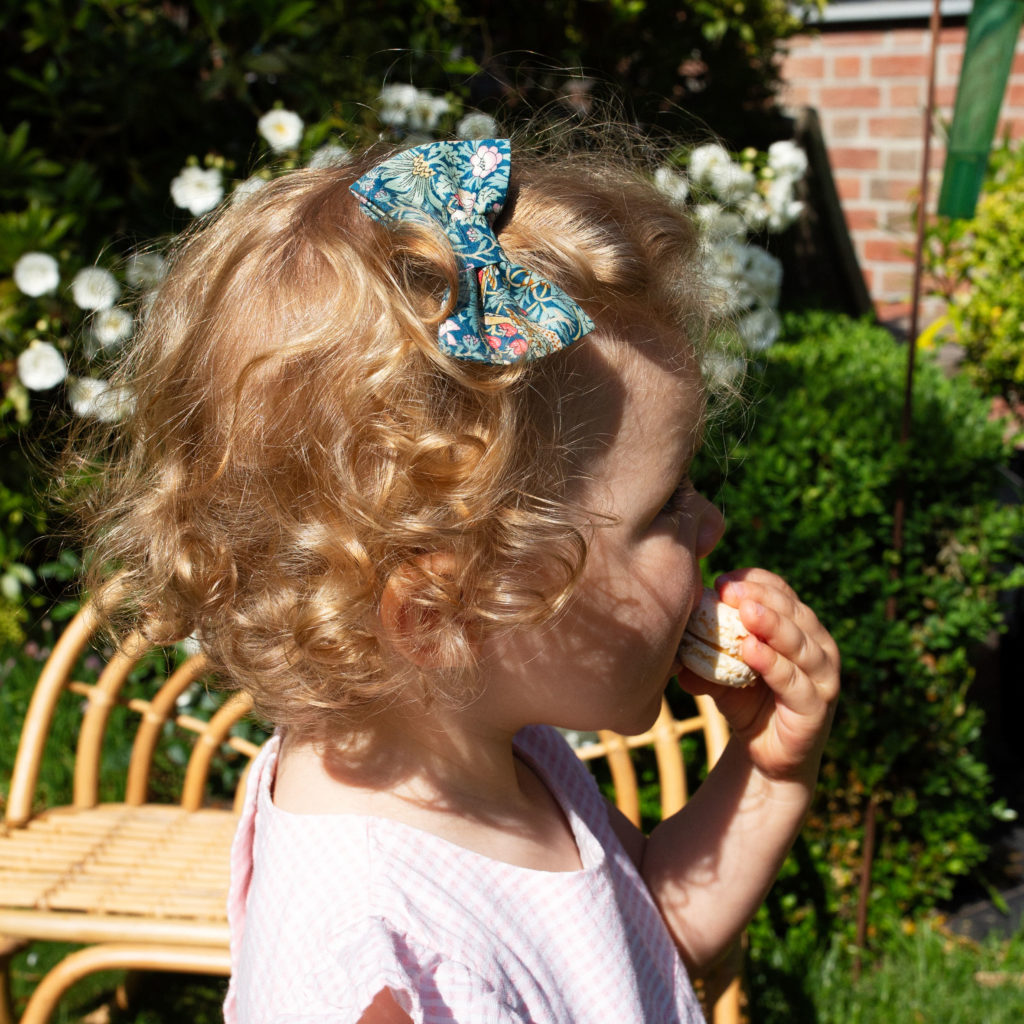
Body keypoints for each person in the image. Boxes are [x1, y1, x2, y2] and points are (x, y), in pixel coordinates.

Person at [74, 135, 840, 1023]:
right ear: (440, 611)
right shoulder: (388, 964)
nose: (711, 524)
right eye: (667, 502)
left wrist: (772, 772)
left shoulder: (497, 756)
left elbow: (639, 939)